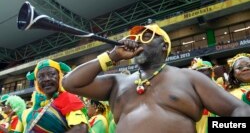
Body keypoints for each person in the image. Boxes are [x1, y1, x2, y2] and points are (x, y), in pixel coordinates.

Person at [62, 24, 250, 133]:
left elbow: (239, 109)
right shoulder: (118, 82)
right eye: (135, 37)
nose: (137, 41)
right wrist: (111, 56)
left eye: (147, 36)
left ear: (164, 46)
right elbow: (70, 83)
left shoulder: (189, 77)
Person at [25, 59, 89, 133]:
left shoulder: (67, 98)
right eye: (41, 76)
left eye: (51, 74)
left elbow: (81, 128)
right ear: (36, 82)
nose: (46, 79)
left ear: (60, 77)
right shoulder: (43, 104)